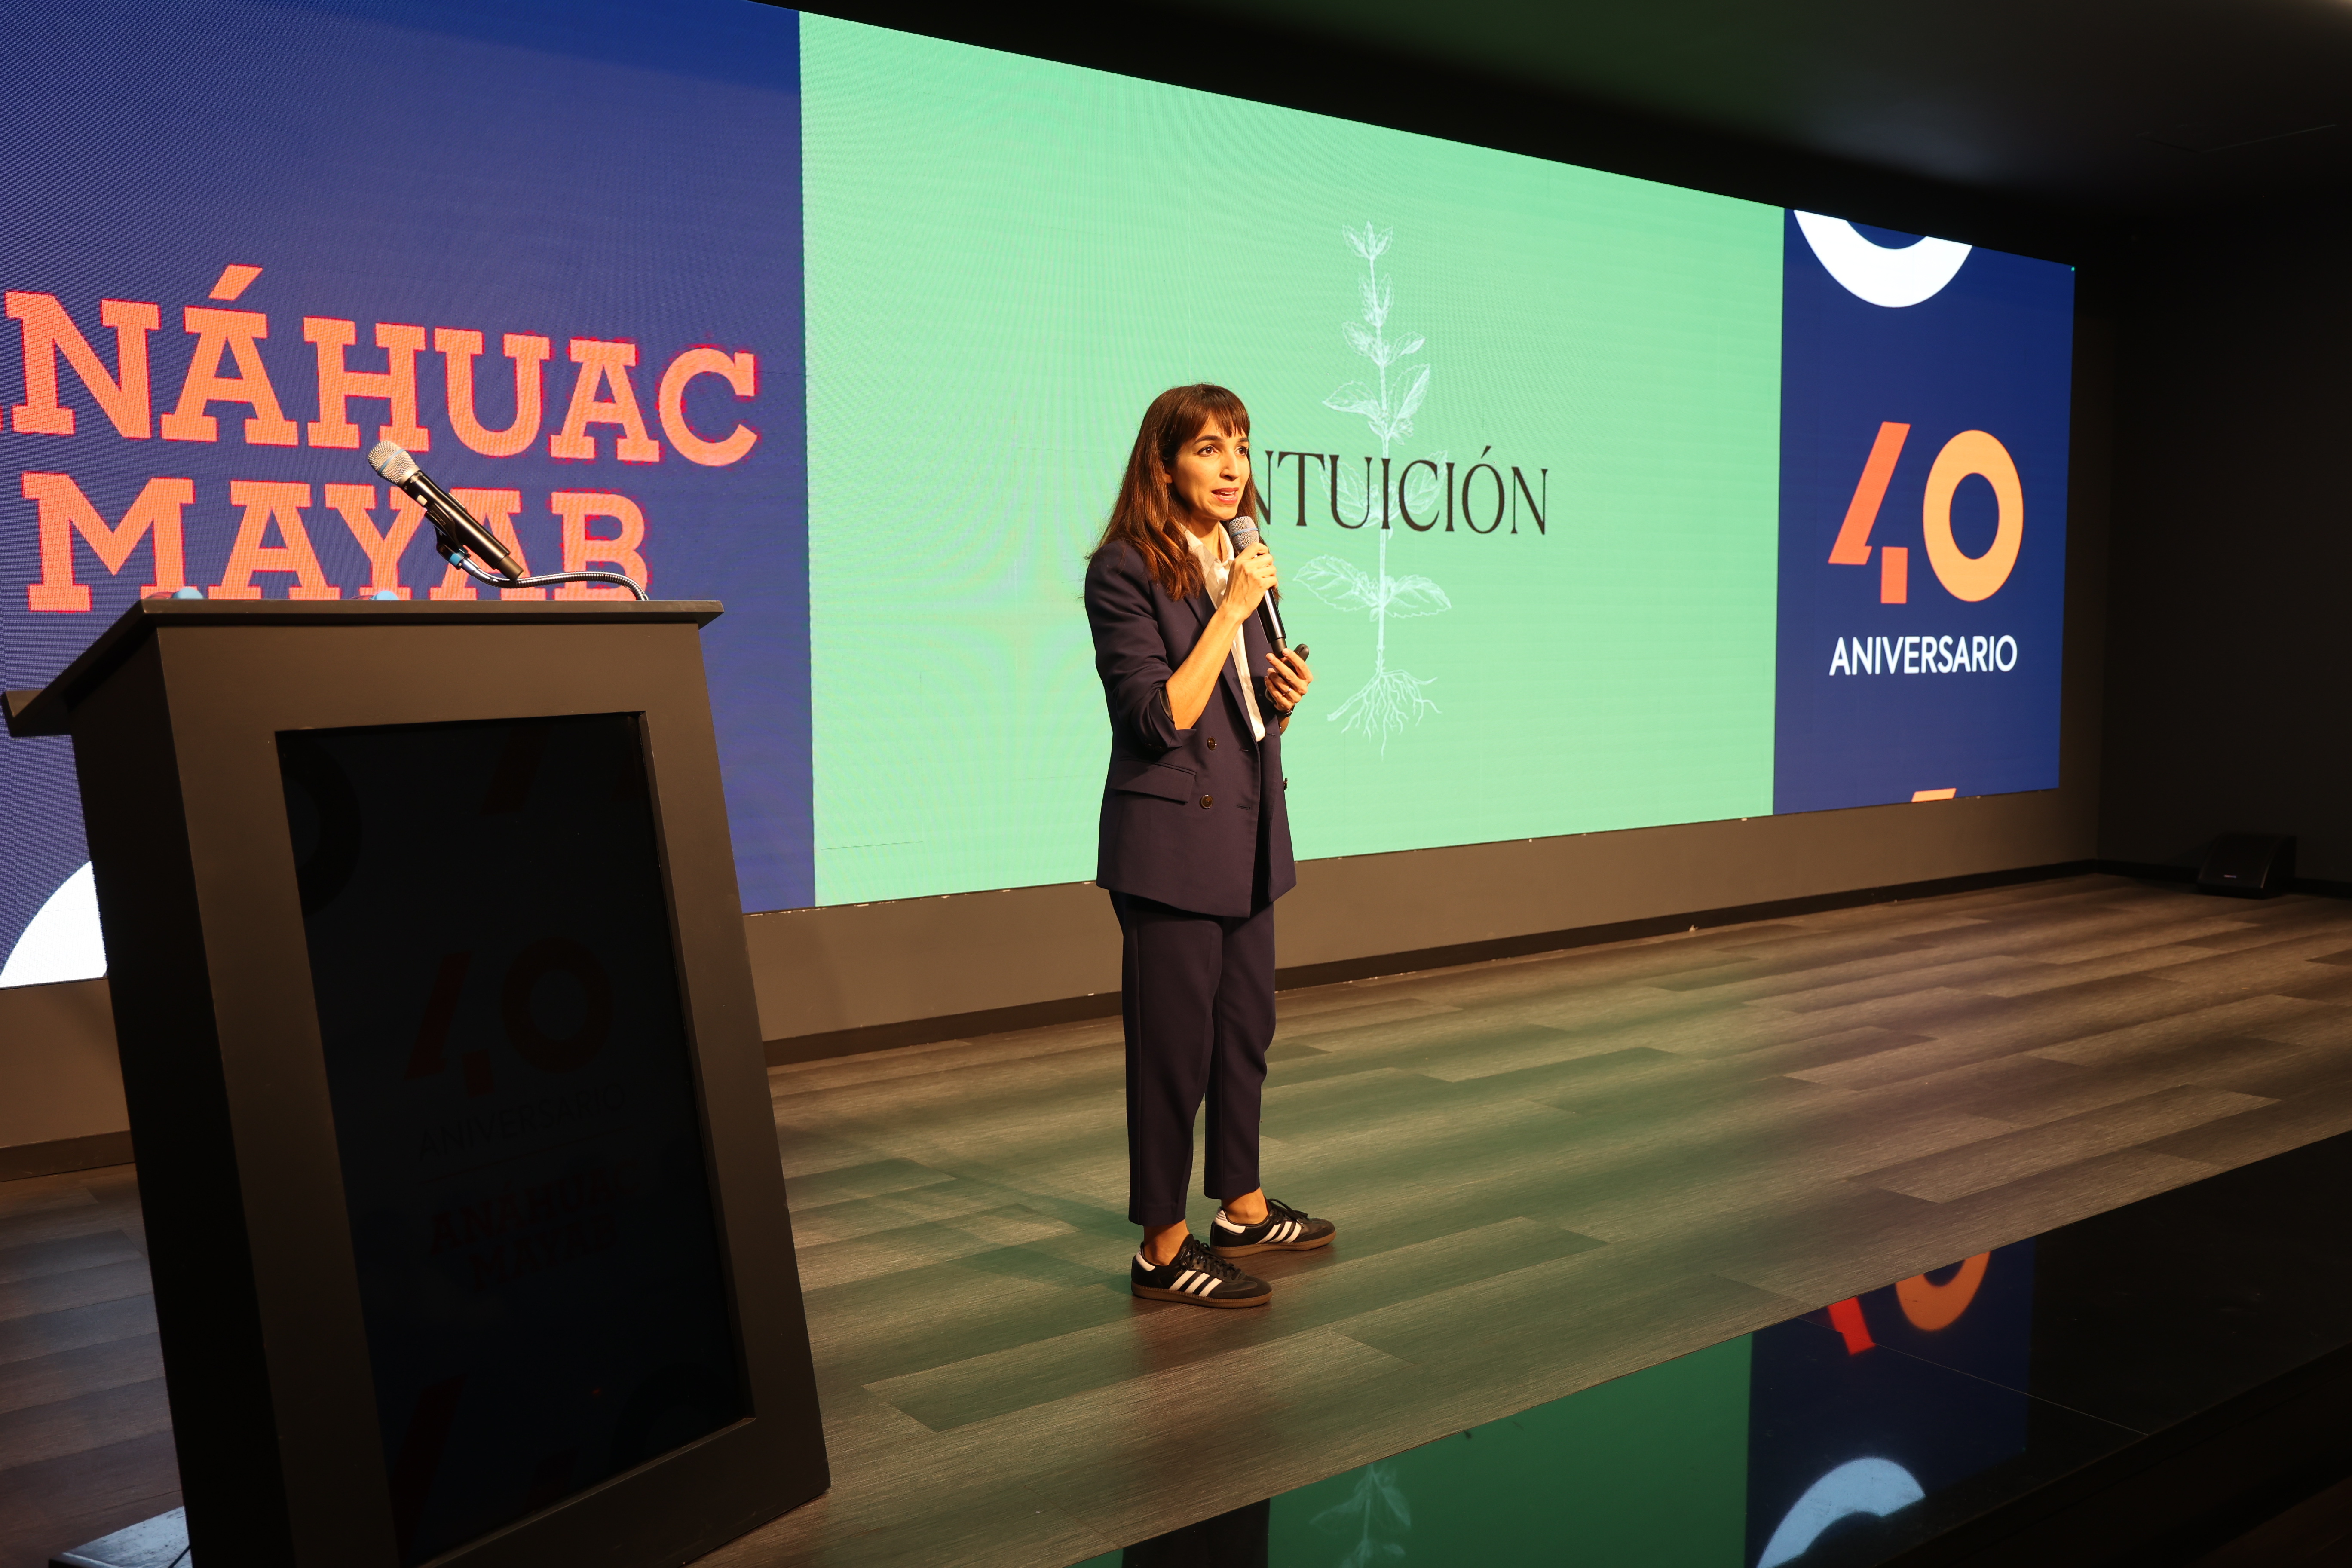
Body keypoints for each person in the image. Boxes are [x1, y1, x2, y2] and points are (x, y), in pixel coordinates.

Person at [1084, 383, 1335, 1310]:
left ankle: (1241, 1205)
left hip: (1248, 828)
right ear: (1164, 464)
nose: (1233, 467)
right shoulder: (1124, 572)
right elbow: (1158, 719)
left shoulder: (1242, 558)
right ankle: (1161, 1247)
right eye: (1208, 448)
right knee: (1172, 1051)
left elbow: (1234, 713)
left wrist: (1280, 700)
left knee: (1244, 1034)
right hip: (1171, 846)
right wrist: (1231, 609)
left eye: (1242, 445)